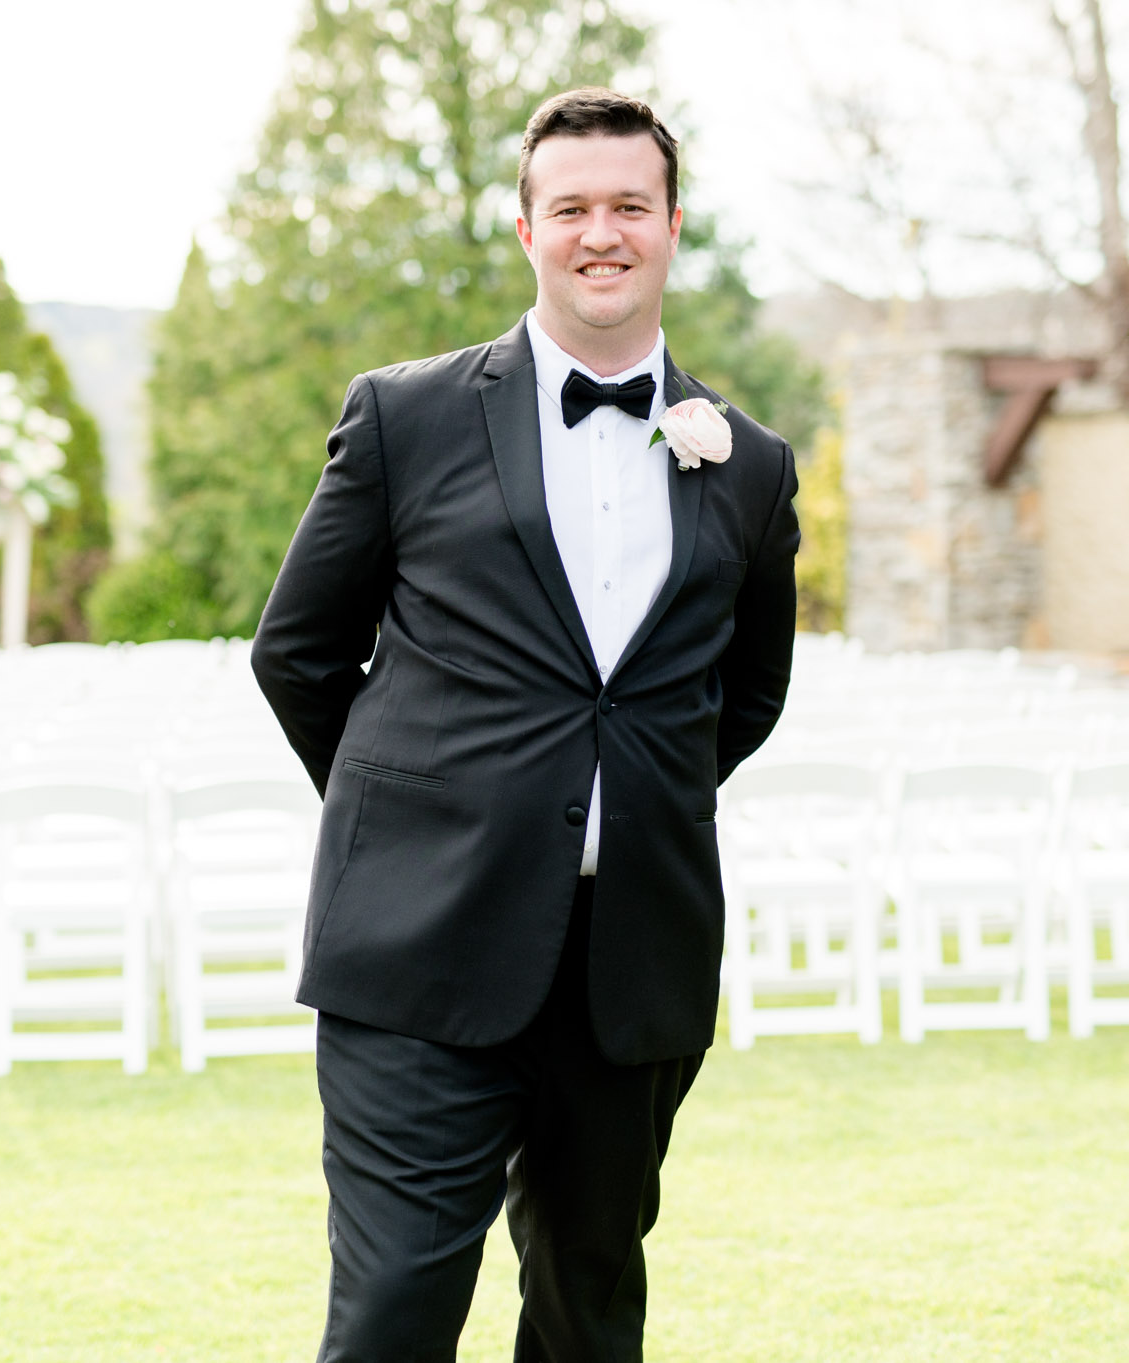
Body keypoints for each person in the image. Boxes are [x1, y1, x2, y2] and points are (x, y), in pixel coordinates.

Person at [251, 86, 800, 1363]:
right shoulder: (405, 415)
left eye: (627, 206)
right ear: (524, 229)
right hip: (420, 947)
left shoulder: (751, 463)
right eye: (570, 208)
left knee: (586, 1308)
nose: (598, 232)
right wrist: (429, 814)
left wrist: (624, 796)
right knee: (392, 1313)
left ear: (671, 226)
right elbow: (298, 652)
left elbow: (747, 692)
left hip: (629, 964)